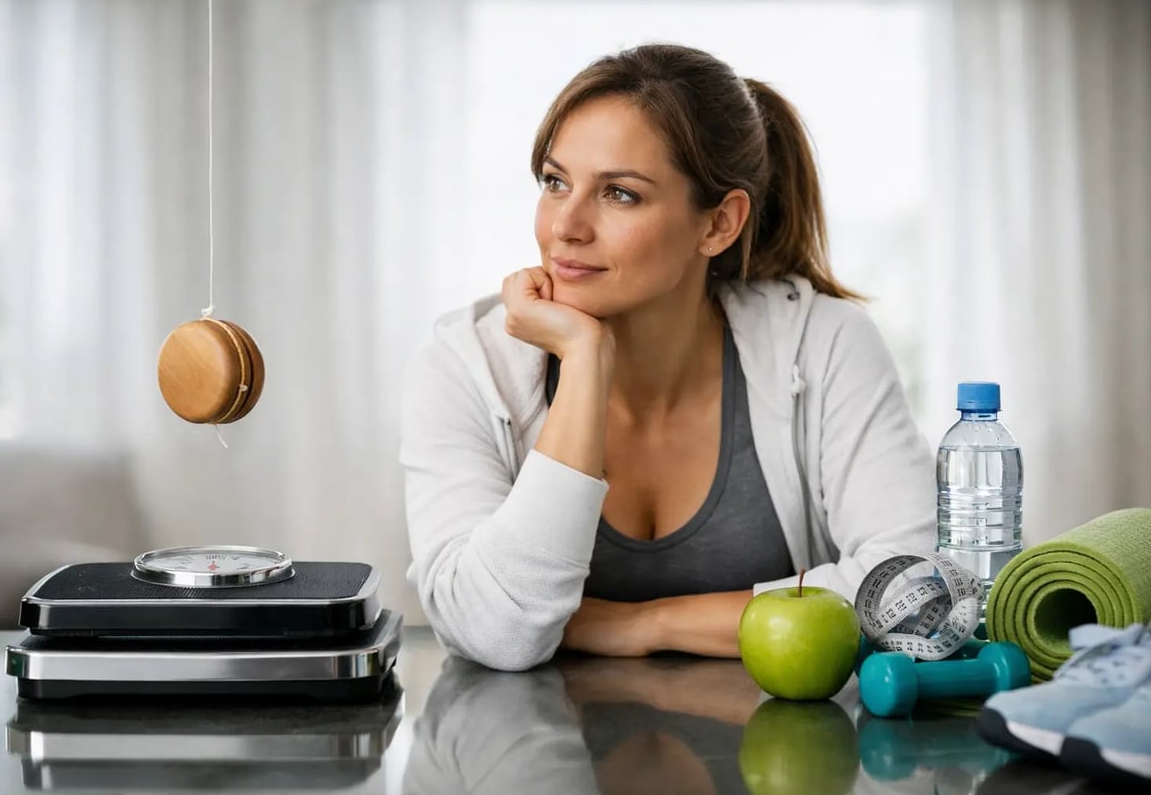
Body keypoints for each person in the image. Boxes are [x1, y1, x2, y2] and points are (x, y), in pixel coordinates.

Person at [400, 43, 935, 672]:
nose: (564, 226)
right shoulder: (466, 365)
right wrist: (585, 357)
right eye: (555, 182)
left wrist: (643, 624)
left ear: (719, 225)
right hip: (534, 761)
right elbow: (494, 631)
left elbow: (916, 590)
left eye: (619, 194)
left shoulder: (823, 344)